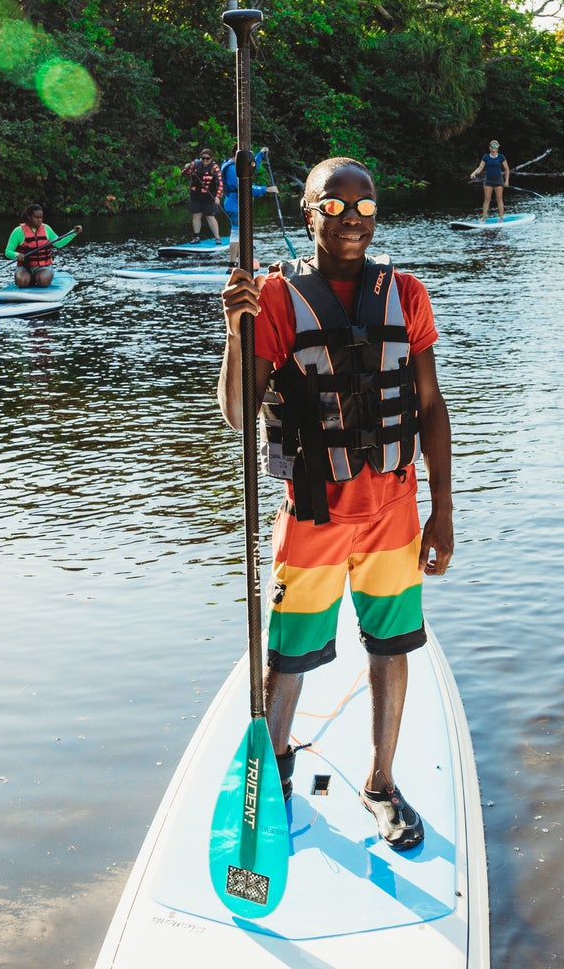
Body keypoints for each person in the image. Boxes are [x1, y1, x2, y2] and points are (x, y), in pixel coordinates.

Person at [217, 156, 454, 852]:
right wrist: (235, 332)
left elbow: (432, 406)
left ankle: (380, 783)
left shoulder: (406, 293)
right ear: (307, 210)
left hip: (394, 508)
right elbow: (237, 414)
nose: (351, 219)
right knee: (288, 656)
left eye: (364, 206)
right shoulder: (274, 300)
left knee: (392, 645)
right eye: (335, 205)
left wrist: (443, 510)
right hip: (314, 510)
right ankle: (277, 774)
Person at [4, 204, 81, 287]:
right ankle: (28, 278)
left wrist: (73, 233)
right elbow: (8, 252)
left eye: (41, 217)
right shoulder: (18, 231)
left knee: (43, 281)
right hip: (24, 268)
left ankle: (42, 276)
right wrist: (17, 255)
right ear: (29, 217)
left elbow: (59, 243)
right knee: (22, 282)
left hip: (43, 267)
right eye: (36, 217)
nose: (39, 220)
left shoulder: (46, 229)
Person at [219, 147, 278, 232]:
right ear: (238, 156)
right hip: (233, 206)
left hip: (238, 205)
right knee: (238, 233)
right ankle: (237, 244)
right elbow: (244, 188)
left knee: (243, 232)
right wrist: (266, 189)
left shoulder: (237, 165)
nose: (247, 160)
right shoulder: (231, 170)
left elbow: (251, 168)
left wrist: (260, 154)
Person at [181, 147, 225, 244]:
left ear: (211, 158)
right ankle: (197, 237)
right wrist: (186, 168)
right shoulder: (194, 164)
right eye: (203, 158)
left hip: (209, 195)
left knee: (210, 216)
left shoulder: (214, 168)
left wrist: (218, 196)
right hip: (196, 195)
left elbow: (220, 183)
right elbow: (184, 174)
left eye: (207, 158)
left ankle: (217, 238)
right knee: (196, 215)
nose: (205, 160)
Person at [468, 140, 509, 222]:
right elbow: (480, 167)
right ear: (490, 148)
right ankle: (484, 217)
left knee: (499, 199)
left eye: (495, 146)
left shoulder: (501, 157)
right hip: (488, 181)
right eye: (492, 146)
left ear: (498, 148)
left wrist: (506, 181)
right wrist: (474, 173)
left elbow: (507, 169)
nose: (494, 148)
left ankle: (501, 218)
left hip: (498, 181)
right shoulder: (486, 157)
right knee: (487, 199)